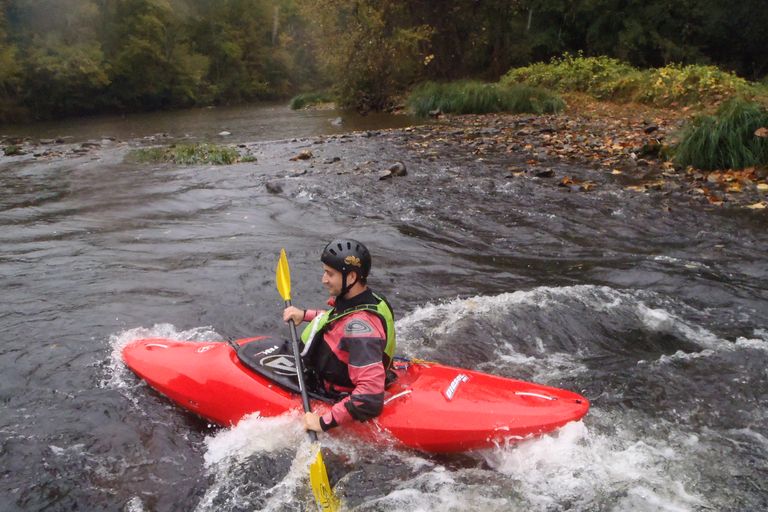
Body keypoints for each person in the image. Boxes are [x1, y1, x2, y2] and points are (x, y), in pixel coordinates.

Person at [283, 239, 396, 433]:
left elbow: (369, 397)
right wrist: (305, 315)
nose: (324, 279)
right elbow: (338, 322)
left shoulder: (361, 330)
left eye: (330, 273)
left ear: (351, 277)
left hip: (339, 392)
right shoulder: (367, 299)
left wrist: (322, 423)